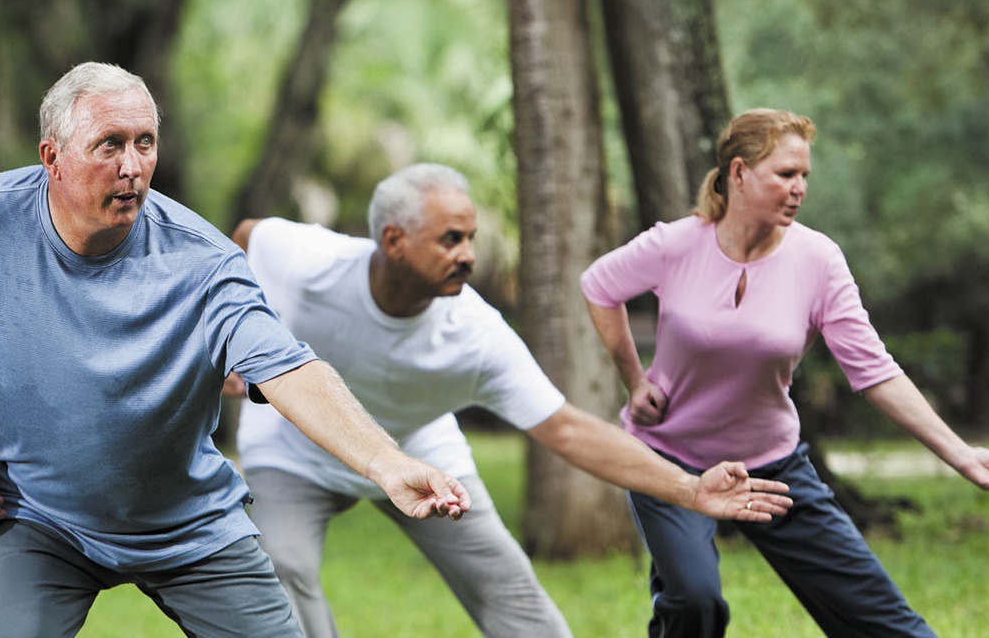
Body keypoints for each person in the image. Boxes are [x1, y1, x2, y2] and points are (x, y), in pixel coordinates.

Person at [0, 62, 471, 638]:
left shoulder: (203, 263)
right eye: (110, 145)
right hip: (36, 514)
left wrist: (386, 463)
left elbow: (289, 369)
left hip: (186, 522)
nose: (133, 167)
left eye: (145, 143)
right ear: (52, 158)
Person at [226, 162, 794, 638]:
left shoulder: (477, 333)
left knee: (508, 587)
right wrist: (224, 337)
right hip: (294, 444)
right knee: (282, 565)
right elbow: (247, 236)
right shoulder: (310, 261)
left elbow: (567, 430)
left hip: (420, 454)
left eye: (471, 237)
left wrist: (690, 488)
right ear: (394, 241)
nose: (469, 254)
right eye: (452, 239)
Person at [580, 108, 989, 637]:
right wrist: (634, 379)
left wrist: (962, 455)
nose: (799, 189)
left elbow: (874, 371)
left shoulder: (818, 260)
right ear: (738, 173)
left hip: (773, 467)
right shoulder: (676, 245)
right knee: (693, 601)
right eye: (785, 174)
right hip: (670, 463)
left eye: (804, 176)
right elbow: (599, 286)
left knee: (881, 619)